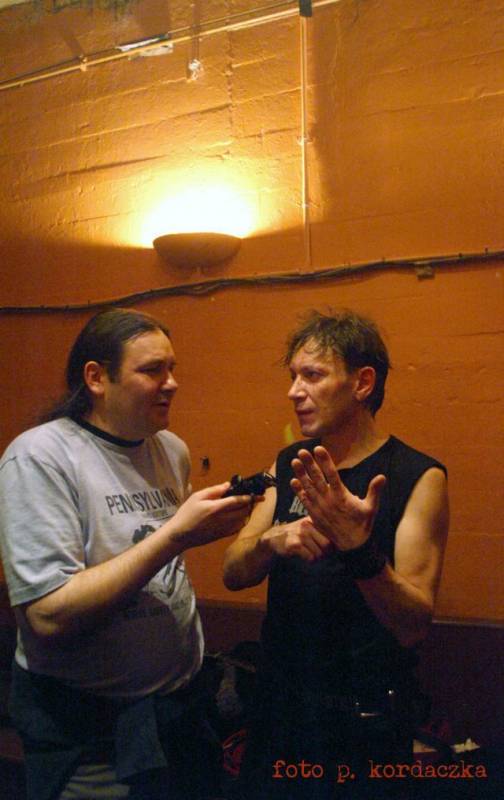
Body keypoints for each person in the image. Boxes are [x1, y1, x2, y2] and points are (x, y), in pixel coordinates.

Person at [0, 308, 253, 800]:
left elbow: (161, 558)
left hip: (177, 716)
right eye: (152, 370)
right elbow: (47, 617)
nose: (172, 383)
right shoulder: (40, 457)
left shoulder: (169, 449)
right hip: (92, 736)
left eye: (172, 368)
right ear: (97, 378)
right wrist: (177, 534)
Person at [223, 309, 449, 799]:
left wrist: (358, 549)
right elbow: (232, 572)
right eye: (293, 377)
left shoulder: (417, 476)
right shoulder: (292, 462)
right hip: (279, 711)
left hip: (362, 723)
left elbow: (413, 625)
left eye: (312, 375)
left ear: (362, 383)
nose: (294, 391)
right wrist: (270, 540)